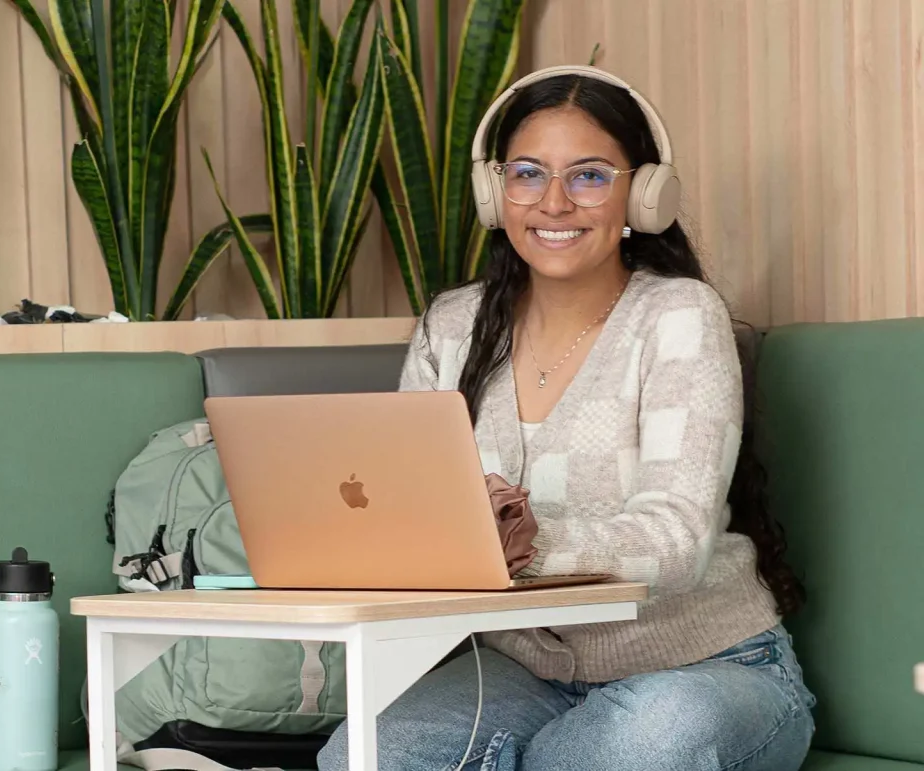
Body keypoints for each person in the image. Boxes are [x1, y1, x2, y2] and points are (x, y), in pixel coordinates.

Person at [317, 65, 816, 771]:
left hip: (703, 667)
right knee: (363, 755)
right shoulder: (452, 327)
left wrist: (528, 543)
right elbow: (409, 511)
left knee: (642, 743)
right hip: (528, 673)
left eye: (588, 176)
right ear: (494, 192)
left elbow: (677, 541)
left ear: (643, 194)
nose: (554, 202)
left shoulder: (679, 317)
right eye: (527, 173)